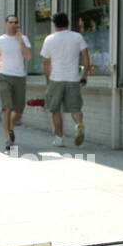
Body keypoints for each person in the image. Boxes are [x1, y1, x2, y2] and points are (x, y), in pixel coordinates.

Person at [40, 11, 90, 148]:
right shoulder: (77, 37)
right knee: (75, 108)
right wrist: (84, 75)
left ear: (54, 24)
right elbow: (85, 56)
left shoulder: (49, 39)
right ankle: (79, 124)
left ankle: (59, 139)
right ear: (67, 22)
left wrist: (47, 79)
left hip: (56, 78)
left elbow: (45, 61)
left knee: (55, 110)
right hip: (73, 78)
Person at [0, 14, 31, 152]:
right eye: (11, 22)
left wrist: (21, 42)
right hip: (4, 76)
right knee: (6, 107)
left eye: (16, 22)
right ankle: (7, 138)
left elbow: (28, 57)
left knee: (19, 110)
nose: (14, 25)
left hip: (19, 76)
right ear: (6, 24)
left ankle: (11, 126)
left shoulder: (23, 39)